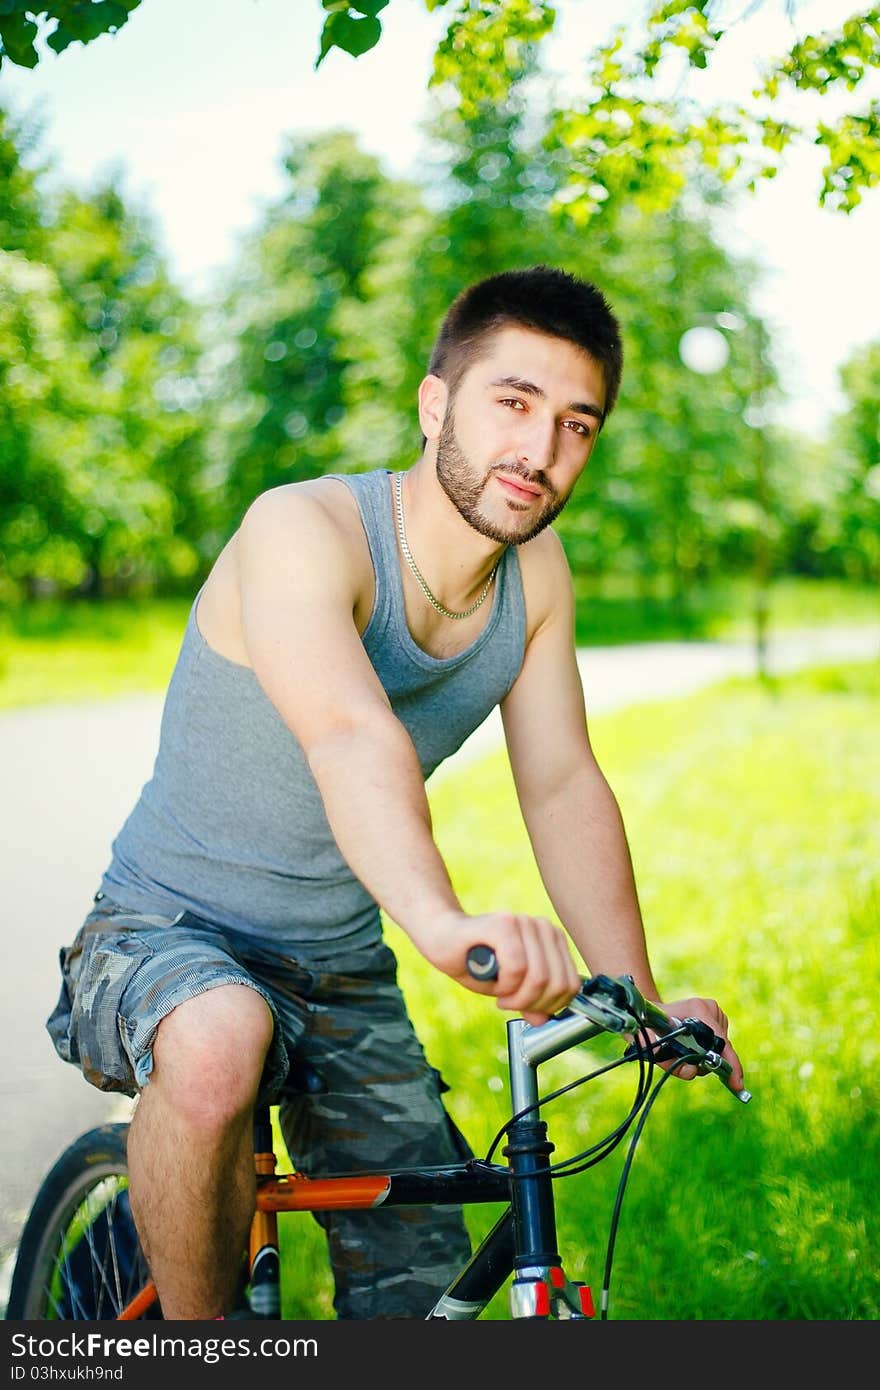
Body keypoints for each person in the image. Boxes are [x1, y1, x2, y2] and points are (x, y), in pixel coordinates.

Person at [47, 264, 745, 1321]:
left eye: (575, 425)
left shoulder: (536, 576)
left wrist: (633, 995)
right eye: (511, 403)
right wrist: (440, 919)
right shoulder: (305, 529)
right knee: (221, 1034)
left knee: (428, 1288)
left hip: (338, 966)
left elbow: (559, 783)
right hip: (165, 927)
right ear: (434, 405)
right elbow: (348, 732)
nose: (540, 451)